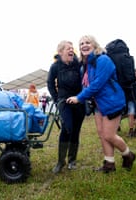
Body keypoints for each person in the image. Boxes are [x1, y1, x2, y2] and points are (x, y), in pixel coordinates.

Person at [67, 35, 135, 173]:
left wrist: (79, 98)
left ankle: (128, 154)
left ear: (94, 45)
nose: (84, 45)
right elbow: (86, 85)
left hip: (112, 102)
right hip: (99, 104)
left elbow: (97, 84)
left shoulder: (103, 60)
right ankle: (109, 164)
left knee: (109, 135)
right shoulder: (87, 65)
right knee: (102, 134)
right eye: (81, 44)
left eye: (87, 42)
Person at [47, 40, 85, 173]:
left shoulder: (77, 63)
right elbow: (50, 83)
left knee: (76, 131)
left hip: (79, 101)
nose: (71, 50)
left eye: (72, 48)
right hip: (64, 101)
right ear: (60, 51)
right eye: (68, 48)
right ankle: (60, 161)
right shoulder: (55, 66)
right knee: (67, 128)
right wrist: (57, 99)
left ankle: (72, 160)